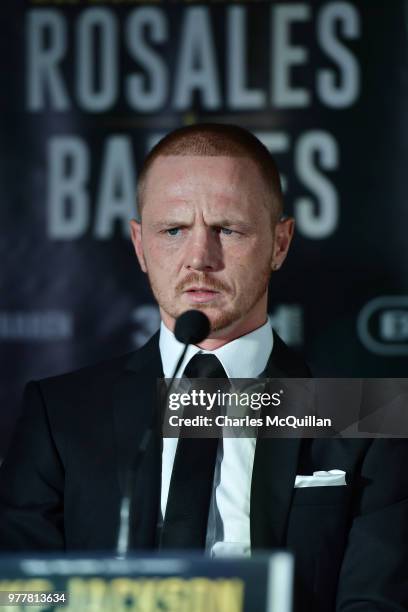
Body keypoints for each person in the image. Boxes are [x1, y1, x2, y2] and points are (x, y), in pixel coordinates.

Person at [0, 124, 407, 612]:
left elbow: (377, 602)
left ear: (280, 244)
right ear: (139, 245)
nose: (200, 258)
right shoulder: (60, 413)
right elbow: (20, 593)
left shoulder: (362, 415)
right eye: (173, 230)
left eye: (227, 229)